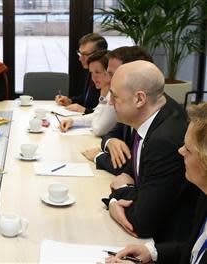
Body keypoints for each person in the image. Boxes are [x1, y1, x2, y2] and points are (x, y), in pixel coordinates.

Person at [103, 60, 199, 243]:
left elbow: (141, 223)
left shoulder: (164, 141)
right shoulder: (159, 106)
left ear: (140, 99)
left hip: (167, 244)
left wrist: (115, 200)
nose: (110, 103)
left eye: (115, 97)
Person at [105, 103, 207, 264]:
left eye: (188, 149)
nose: (180, 151)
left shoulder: (163, 138)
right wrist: (153, 252)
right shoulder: (204, 195)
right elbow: (193, 249)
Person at [81, 46, 153, 175]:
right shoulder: (129, 106)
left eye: (112, 75)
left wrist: (99, 157)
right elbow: (111, 133)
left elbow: (136, 171)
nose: (107, 80)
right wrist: (110, 141)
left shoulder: (159, 128)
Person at [58, 50, 116, 136]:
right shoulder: (106, 91)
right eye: (91, 73)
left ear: (109, 72)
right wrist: (73, 121)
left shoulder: (115, 95)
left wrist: (103, 96)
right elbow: (96, 115)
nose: (93, 77)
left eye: (97, 72)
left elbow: (99, 129)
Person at [55, 33, 107, 114]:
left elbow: (106, 115)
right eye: (80, 53)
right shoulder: (91, 71)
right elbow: (86, 97)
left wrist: (85, 110)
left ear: (99, 54)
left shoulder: (107, 77)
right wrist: (70, 101)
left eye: (85, 54)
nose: (80, 58)